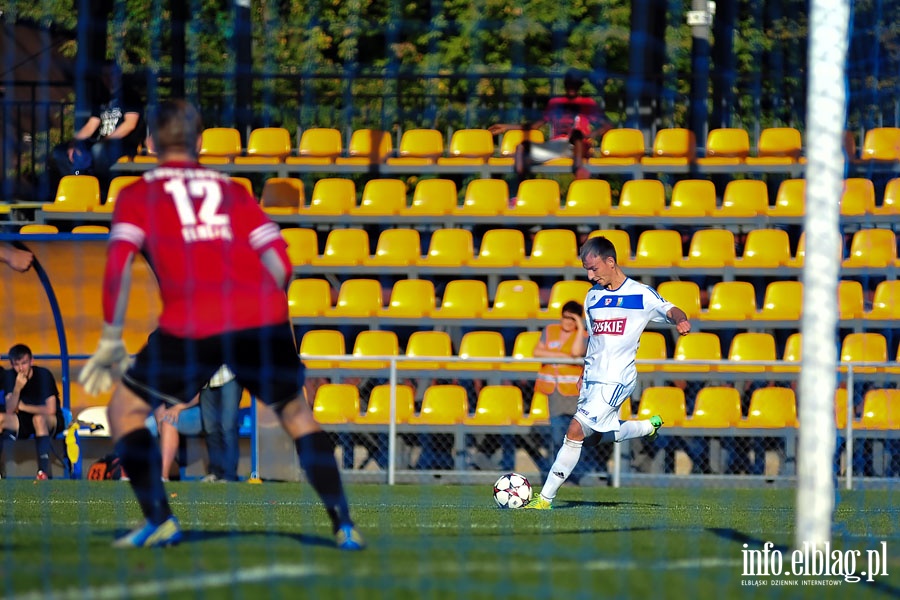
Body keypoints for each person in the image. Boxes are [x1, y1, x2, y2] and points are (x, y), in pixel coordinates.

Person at [78, 99, 364, 550]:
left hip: (193, 319)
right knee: (296, 415)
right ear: (198, 141)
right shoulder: (231, 190)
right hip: (257, 315)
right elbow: (280, 261)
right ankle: (344, 525)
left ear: (150, 141)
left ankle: (161, 521)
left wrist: (111, 338)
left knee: (123, 411)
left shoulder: (137, 195)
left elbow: (117, 268)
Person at [524, 236, 692, 509]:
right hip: (592, 378)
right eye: (586, 270)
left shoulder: (640, 294)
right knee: (590, 439)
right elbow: (594, 339)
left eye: (594, 269)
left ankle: (544, 499)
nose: (590, 276)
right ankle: (647, 426)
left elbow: (670, 308)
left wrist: (680, 319)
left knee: (575, 430)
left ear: (610, 262)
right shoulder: (592, 297)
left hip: (617, 378)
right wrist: (584, 370)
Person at [531, 300, 609, 480]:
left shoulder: (582, 334)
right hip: (555, 393)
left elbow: (576, 352)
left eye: (572, 319)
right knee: (557, 436)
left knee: (576, 436)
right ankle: (557, 475)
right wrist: (563, 356)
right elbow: (537, 352)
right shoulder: (550, 331)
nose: (567, 322)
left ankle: (578, 474)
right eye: (565, 318)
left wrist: (580, 327)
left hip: (574, 393)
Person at [488, 69, 612, 180]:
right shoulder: (556, 103)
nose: (572, 88)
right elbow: (535, 126)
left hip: (579, 146)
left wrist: (590, 135)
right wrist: (506, 127)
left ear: (579, 86)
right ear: (565, 85)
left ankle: (578, 168)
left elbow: (607, 125)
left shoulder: (587, 103)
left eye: (575, 84)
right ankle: (516, 184)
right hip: (557, 147)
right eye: (569, 84)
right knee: (522, 147)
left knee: (577, 135)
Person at [50, 60, 145, 200]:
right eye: (105, 75)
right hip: (101, 144)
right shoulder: (101, 98)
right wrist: (75, 142)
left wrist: (106, 140)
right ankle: (80, 187)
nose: (108, 78)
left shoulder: (130, 96)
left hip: (123, 145)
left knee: (97, 150)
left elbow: (130, 125)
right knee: (60, 152)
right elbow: (91, 126)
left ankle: (102, 191)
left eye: (111, 74)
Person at [0, 344, 64, 480]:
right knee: (1, 418)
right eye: (17, 365)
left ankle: (43, 472)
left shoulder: (43, 375)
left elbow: (51, 409)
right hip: (24, 420)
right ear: (11, 364)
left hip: (50, 419)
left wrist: (23, 407)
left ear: (31, 361)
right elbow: (10, 410)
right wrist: (17, 388)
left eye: (24, 363)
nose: (21, 368)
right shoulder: (10, 377)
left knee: (38, 419)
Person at [199, 365, 242, 482]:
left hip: (229, 376)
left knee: (228, 427)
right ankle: (215, 472)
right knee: (210, 428)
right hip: (205, 381)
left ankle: (229, 474)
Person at [145, 394, 202, 482]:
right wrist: (159, 419)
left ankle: (163, 477)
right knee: (142, 427)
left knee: (168, 422)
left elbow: (199, 396)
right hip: (168, 413)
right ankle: (128, 474)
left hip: (195, 410)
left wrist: (178, 408)